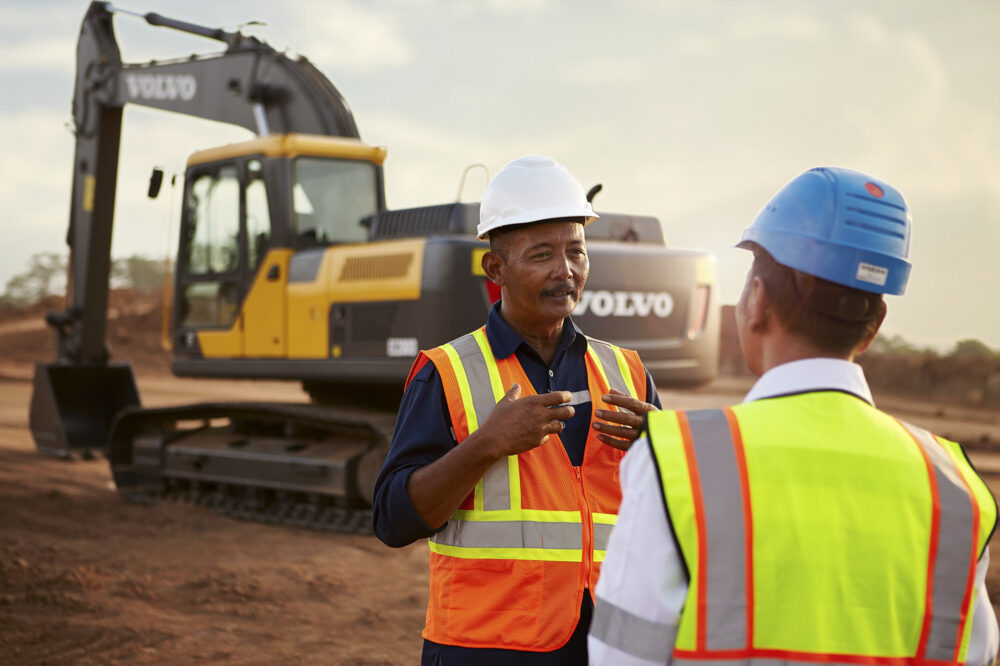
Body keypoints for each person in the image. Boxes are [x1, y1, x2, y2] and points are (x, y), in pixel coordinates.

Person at [589, 167, 999, 665]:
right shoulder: (955, 489)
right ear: (874, 328)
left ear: (757, 301)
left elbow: (621, 656)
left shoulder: (677, 463)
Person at [373, 155, 660, 665]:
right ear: (496, 268)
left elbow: (668, 516)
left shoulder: (627, 372)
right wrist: (487, 445)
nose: (565, 271)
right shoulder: (446, 372)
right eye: (542, 255)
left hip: (608, 647)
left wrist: (662, 449)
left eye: (577, 251)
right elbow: (394, 521)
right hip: (486, 650)